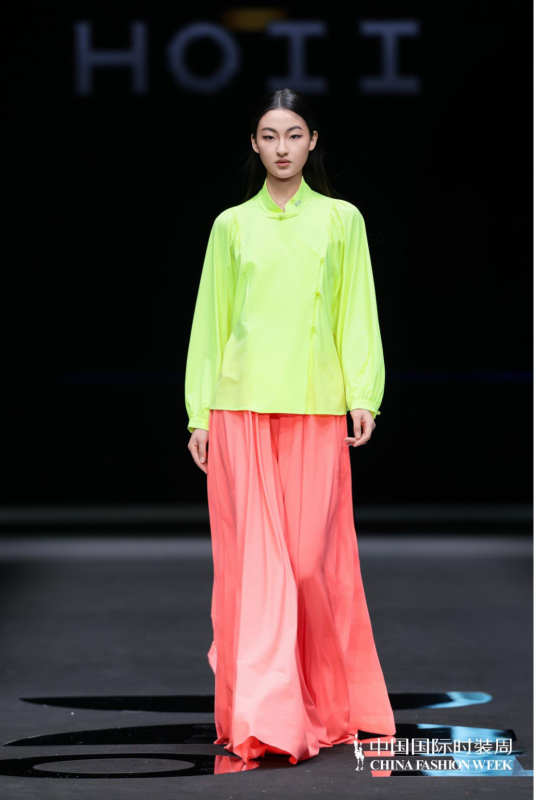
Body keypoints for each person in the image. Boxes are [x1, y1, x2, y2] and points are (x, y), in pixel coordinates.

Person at [185, 88, 396, 766]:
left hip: (314, 405)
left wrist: (363, 393)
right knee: (257, 573)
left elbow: (356, 310)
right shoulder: (231, 226)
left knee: (308, 565)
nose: (282, 147)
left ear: (313, 142)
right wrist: (199, 411)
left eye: (294, 134)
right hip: (241, 408)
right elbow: (212, 322)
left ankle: (326, 704)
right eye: (270, 136)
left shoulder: (341, 219)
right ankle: (265, 718)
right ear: (254, 144)